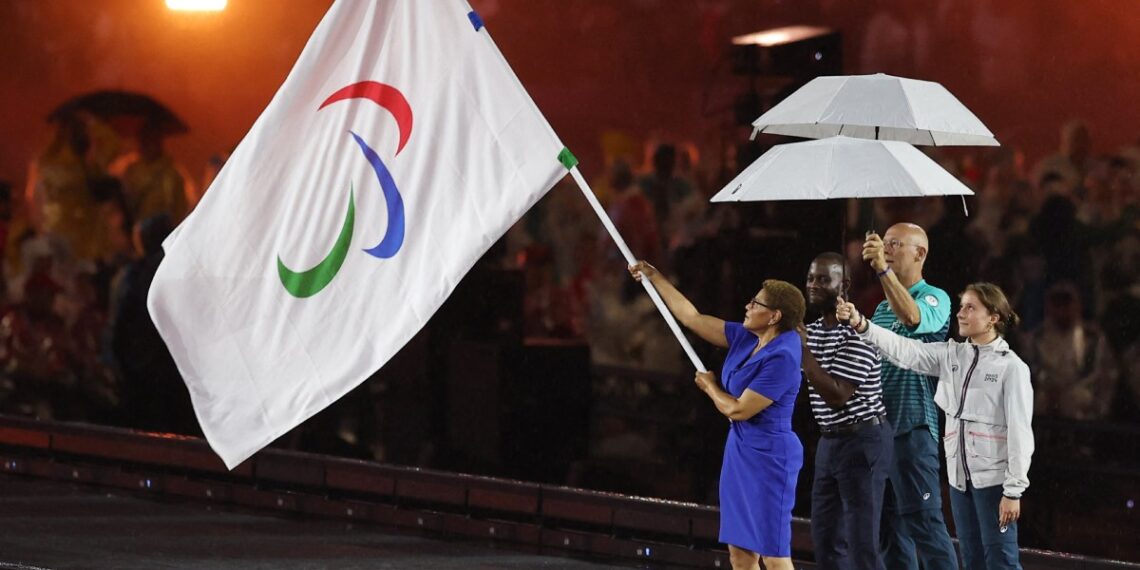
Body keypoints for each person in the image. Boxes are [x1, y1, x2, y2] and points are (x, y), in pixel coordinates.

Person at [838, 283, 1035, 569]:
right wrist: (862, 324)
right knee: (972, 560)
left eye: (971, 308)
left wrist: (1013, 490)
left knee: (1001, 561)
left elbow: (1020, 433)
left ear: (993, 317)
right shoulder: (951, 355)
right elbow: (905, 350)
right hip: (959, 482)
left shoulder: (1012, 368)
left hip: (994, 484)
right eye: (961, 306)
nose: (960, 313)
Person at [629, 260, 804, 570]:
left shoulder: (784, 356)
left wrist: (710, 387)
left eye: (756, 303)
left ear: (774, 316)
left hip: (770, 458)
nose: (748, 306)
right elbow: (691, 318)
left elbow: (739, 409)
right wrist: (654, 277)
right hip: (740, 451)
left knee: (774, 555)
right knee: (741, 553)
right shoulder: (748, 336)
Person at [861, 223, 958, 569]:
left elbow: (913, 318)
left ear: (920, 253)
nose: (886, 249)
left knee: (924, 524)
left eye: (895, 244)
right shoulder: (880, 310)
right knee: (888, 532)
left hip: (914, 428)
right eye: (884, 243)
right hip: (880, 432)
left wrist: (881, 270)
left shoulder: (935, 297)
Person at [800, 252, 892, 569]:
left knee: (862, 545)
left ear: (845, 286)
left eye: (823, 279)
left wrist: (803, 352)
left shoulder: (859, 333)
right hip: (829, 442)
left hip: (863, 439)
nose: (813, 285)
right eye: (811, 278)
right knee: (825, 542)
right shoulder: (811, 332)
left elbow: (837, 394)